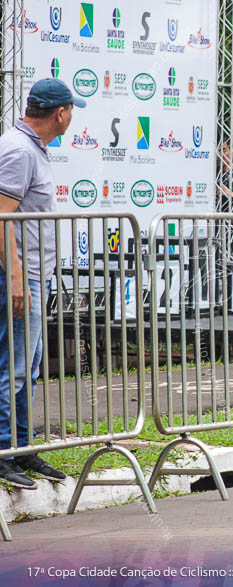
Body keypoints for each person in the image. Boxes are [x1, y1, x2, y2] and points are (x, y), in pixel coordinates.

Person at [0, 78, 82, 488]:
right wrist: (16, 278)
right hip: (20, 276)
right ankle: (3, 450)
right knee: (12, 366)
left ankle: (21, 447)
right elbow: (1, 218)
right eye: (72, 110)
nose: (72, 117)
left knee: (27, 367)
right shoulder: (18, 150)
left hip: (34, 275)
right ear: (60, 113)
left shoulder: (30, 147)